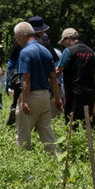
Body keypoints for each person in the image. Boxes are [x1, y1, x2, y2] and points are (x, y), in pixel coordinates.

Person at [12, 21, 63, 152]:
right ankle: (57, 158)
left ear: (22, 34)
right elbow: (53, 77)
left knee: (23, 133)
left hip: (32, 95)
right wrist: (57, 98)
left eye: (17, 38)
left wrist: (25, 100)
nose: (17, 41)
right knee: (46, 131)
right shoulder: (46, 51)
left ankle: (22, 164)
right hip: (46, 95)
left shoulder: (25, 52)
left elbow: (26, 78)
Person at [56, 28, 95, 129]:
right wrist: (93, 87)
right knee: (87, 122)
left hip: (74, 94)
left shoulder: (69, 51)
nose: (64, 45)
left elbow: (58, 71)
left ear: (69, 38)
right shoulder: (90, 51)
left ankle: (71, 143)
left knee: (71, 122)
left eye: (64, 42)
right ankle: (90, 143)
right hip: (90, 93)